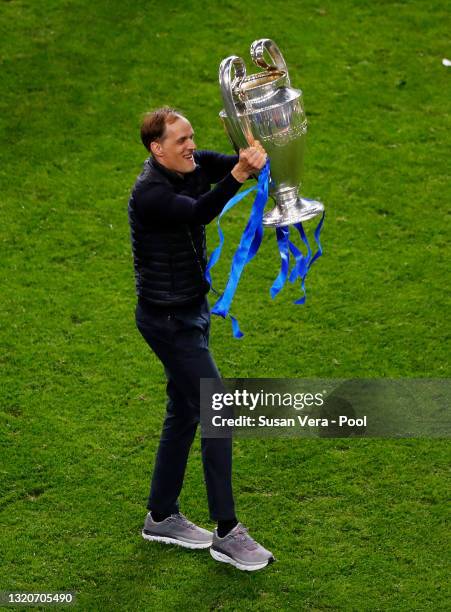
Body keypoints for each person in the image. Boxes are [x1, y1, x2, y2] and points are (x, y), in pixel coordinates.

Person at [128, 107, 275, 571]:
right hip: (167, 321)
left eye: (192, 136)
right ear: (157, 149)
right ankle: (227, 532)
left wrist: (247, 145)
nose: (192, 146)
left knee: (186, 409)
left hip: (190, 311)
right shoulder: (150, 193)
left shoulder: (188, 165)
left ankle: (161, 515)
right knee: (218, 409)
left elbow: (223, 163)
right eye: (181, 141)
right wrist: (237, 173)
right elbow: (200, 211)